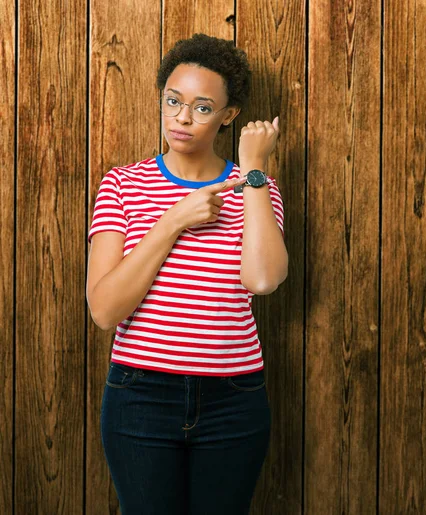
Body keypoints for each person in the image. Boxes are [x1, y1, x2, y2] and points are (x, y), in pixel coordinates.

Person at [86, 33, 287, 515]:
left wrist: (255, 168)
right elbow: (105, 310)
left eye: (201, 107)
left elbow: (262, 280)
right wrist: (174, 220)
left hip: (233, 397)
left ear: (228, 115)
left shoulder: (257, 188)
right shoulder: (121, 184)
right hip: (140, 394)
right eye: (173, 101)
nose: (181, 117)